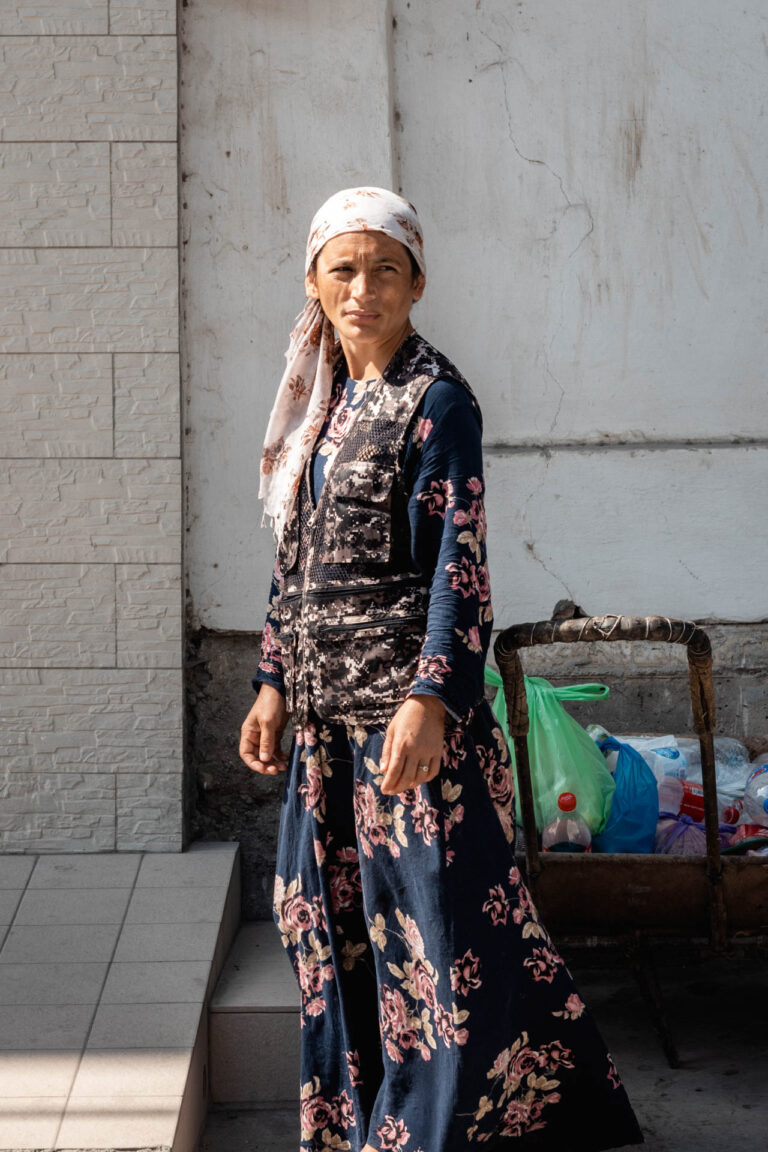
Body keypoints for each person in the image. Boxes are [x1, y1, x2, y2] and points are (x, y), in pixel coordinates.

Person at [239, 187, 643, 1152]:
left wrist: (429, 700)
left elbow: (459, 569)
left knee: (439, 945)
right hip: (327, 731)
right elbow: (295, 562)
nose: (363, 288)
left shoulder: (437, 400)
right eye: (343, 269)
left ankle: (427, 1136)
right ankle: (391, 1120)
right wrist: (271, 680)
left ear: (418, 282)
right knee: (325, 927)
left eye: (386, 269)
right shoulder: (322, 404)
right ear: (313, 283)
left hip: (407, 733)